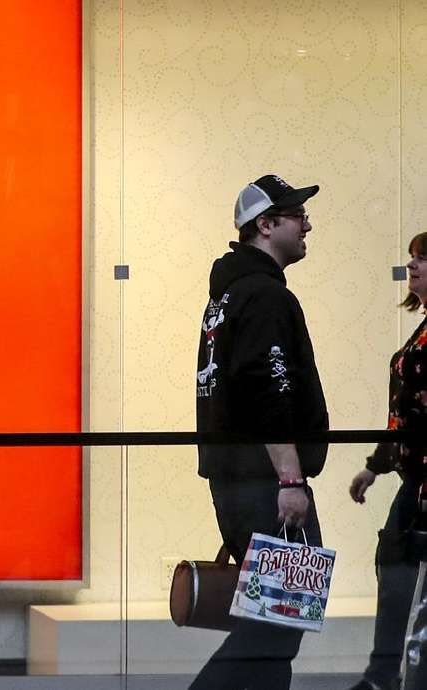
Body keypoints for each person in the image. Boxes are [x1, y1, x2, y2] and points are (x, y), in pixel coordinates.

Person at [191, 174, 328, 690]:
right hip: (267, 487)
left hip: (239, 482)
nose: (307, 223)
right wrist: (291, 483)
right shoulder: (264, 296)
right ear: (265, 225)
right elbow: (267, 390)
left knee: (273, 624)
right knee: (278, 625)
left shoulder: (226, 298)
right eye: (296, 215)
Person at [349, 233, 427, 690]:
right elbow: (403, 413)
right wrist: (375, 466)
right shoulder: (420, 331)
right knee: (394, 562)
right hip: (412, 477)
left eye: (424, 259)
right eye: (413, 258)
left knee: (401, 567)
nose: (413, 266)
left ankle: (389, 676)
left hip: (423, 481)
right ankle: (383, 675)